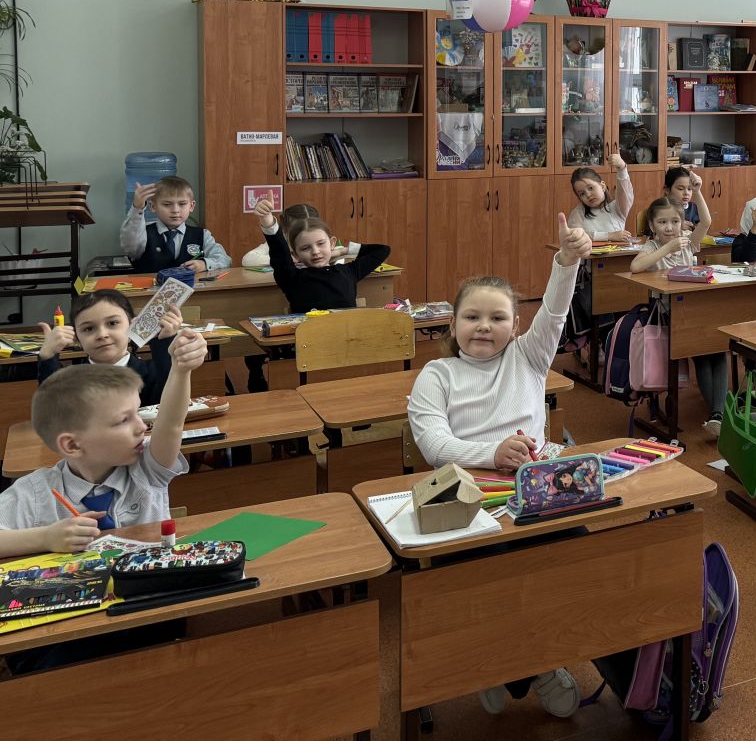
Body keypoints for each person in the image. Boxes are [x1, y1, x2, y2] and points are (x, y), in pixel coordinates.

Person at [406, 214, 589, 721]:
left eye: (497, 317)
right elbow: (433, 445)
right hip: (469, 498)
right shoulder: (437, 374)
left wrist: (566, 261)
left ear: (515, 326)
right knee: (493, 576)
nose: (484, 326)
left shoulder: (529, 357)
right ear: (452, 325)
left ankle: (511, 665)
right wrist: (492, 454)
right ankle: (525, 666)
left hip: (536, 489)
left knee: (578, 559)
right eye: (472, 317)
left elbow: (555, 311)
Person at [0, 329, 206, 556]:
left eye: (137, 413)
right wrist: (45, 538)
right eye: (123, 420)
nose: (141, 427)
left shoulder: (147, 468)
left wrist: (180, 370)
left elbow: (171, 423)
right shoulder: (35, 492)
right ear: (72, 445)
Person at [631, 182, 728, 438]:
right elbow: (636, 267)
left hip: (696, 311)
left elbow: (706, 222)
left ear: (682, 222)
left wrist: (698, 191)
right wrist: (667, 248)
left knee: (718, 348)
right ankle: (718, 414)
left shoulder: (687, 242)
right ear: (652, 226)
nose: (669, 227)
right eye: (662, 222)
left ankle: (718, 414)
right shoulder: (652, 246)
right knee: (702, 353)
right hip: (669, 316)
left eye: (674, 222)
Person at [34, 291, 180, 406]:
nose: (102, 335)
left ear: (132, 325)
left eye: (112, 323)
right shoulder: (70, 380)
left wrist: (164, 342)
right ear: (77, 338)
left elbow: (171, 403)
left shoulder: (153, 372)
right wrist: (48, 356)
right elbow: (54, 407)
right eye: (89, 328)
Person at [253, 198, 391, 312]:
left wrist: (343, 251)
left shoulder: (349, 271)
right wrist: (267, 221)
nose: (315, 251)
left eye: (321, 244)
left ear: (332, 243)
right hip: (309, 337)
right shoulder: (292, 277)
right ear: (296, 254)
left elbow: (382, 250)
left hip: (347, 335)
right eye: (306, 248)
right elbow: (279, 251)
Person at [120, 177, 230, 275]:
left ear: (191, 206)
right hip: (150, 290)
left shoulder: (202, 235)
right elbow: (130, 246)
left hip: (193, 289)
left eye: (182, 204)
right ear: (153, 206)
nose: (175, 210)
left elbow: (225, 259)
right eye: (167, 204)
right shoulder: (142, 233)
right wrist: (137, 208)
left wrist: (205, 264)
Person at [571, 155, 633, 241]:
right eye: (582, 194)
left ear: (603, 186)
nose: (588, 195)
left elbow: (624, 192)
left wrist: (622, 168)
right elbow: (576, 236)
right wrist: (609, 236)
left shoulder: (617, 208)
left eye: (591, 188)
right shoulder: (578, 212)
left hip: (617, 250)